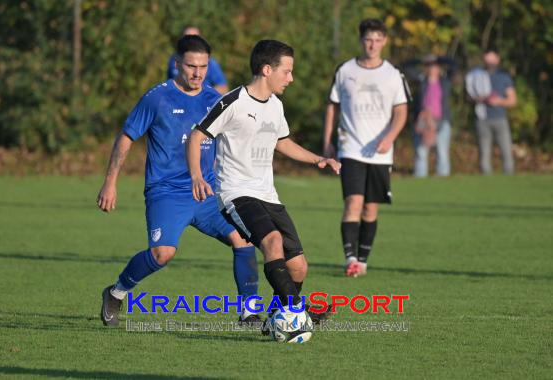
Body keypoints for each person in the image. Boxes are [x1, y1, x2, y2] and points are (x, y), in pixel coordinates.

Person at [98, 35, 259, 327]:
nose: (197, 73)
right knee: (162, 254)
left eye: (203, 66)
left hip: (208, 195)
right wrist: (110, 183)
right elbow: (126, 138)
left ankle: (249, 312)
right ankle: (116, 292)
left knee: (245, 239)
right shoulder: (156, 98)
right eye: (191, 66)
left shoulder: (215, 100)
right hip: (167, 193)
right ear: (177, 64)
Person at [187, 40, 341, 326]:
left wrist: (317, 159)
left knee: (298, 267)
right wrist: (197, 175)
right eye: (287, 71)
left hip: (268, 194)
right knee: (272, 242)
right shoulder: (233, 102)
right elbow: (197, 136)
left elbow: (282, 142)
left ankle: (276, 315)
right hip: (236, 193)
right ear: (267, 69)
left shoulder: (276, 106)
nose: (291, 78)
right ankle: (297, 314)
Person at [322, 18, 409, 277]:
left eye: (377, 40)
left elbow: (401, 111)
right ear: (361, 41)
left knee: (371, 207)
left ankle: (363, 260)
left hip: (380, 152)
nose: (372, 44)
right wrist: (327, 141)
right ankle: (350, 258)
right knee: (353, 202)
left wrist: (389, 137)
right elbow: (332, 106)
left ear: (384, 42)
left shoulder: (393, 74)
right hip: (351, 147)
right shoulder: (345, 70)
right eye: (368, 39)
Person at [466, 49, 516, 174]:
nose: (490, 62)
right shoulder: (476, 76)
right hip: (482, 119)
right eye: (487, 59)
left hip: (500, 118)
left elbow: (512, 100)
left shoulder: (503, 77)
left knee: (506, 150)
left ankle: (509, 176)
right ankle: (486, 180)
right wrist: (479, 99)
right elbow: (468, 96)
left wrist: (498, 101)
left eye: (492, 59)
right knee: (484, 152)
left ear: (497, 60)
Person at [412, 54, 455, 177]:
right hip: (423, 119)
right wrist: (421, 59)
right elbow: (406, 67)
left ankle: (443, 178)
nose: (432, 68)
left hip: (442, 120)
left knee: (442, 152)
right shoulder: (421, 81)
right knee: (421, 151)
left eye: (435, 66)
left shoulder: (444, 81)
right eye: (429, 66)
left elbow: (454, 65)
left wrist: (438, 58)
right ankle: (420, 179)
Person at [167, 25, 229, 94]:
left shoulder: (211, 63)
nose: (191, 42)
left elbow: (223, 88)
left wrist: (201, 98)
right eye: (187, 38)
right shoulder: (173, 60)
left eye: (195, 38)